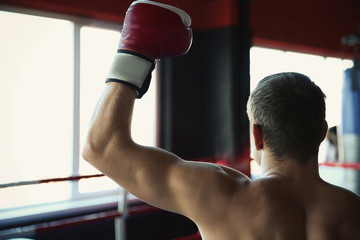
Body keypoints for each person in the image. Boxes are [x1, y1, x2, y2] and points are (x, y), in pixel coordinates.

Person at [82, 1, 360, 239]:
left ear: (257, 134)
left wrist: (135, 51)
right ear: (323, 132)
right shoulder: (353, 210)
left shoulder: (225, 197)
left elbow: (101, 147)